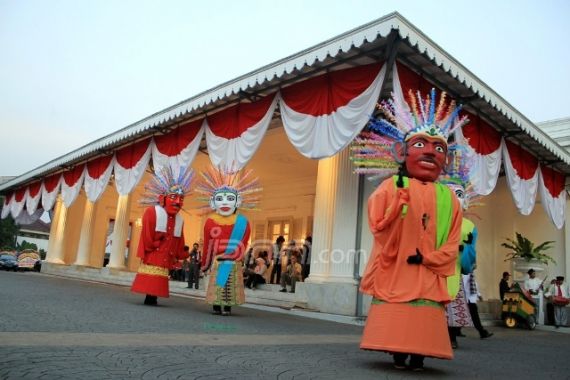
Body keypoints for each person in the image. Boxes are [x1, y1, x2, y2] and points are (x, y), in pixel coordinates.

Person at [355, 89, 468, 371]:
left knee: (425, 311)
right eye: (421, 144)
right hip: (397, 267)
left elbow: (453, 239)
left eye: (439, 148)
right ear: (401, 152)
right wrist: (396, 207)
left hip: (427, 270)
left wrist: (431, 258)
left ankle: (419, 355)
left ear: (447, 159)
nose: (431, 152)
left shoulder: (449, 197)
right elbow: (377, 222)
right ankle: (398, 354)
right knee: (397, 311)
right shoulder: (393, 186)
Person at [197, 165, 261, 316]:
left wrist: (233, 255)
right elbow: (207, 244)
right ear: (213, 203)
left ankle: (227, 307)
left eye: (230, 198)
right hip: (218, 260)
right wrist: (205, 264)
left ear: (237, 202)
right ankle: (217, 306)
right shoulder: (210, 221)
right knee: (219, 284)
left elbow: (243, 243)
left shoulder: (242, 221)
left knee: (229, 284)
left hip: (232, 260)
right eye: (220, 199)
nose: (225, 203)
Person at [130, 166, 194, 306]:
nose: (178, 202)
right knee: (152, 276)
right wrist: (153, 245)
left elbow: (179, 239)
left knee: (159, 278)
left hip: (166, 255)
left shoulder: (179, 219)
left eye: (181, 198)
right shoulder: (152, 212)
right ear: (162, 198)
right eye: (173, 197)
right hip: (154, 252)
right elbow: (146, 233)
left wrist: (181, 253)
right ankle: (150, 297)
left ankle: (153, 297)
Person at [463, 271, 493, 339]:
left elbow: (474, 284)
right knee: (474, 317)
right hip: (467, 299)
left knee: (472, 316)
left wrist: (479, 295)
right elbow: (463, 286)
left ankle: (482, 332)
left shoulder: (471, 273)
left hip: (471, 299)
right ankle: (482, 332)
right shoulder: (465, 273)